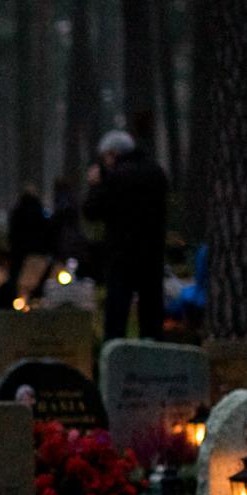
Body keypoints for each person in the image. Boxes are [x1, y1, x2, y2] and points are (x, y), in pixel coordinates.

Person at [84, 125, 172, 339]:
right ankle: (154, 358)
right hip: (152, 253)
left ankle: (115, 360)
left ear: (113, 154)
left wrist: (96, 184)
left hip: (121, 256)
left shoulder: (115, 178)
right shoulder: (156, 172)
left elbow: (91, 211)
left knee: (116, 316)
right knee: (151, 315)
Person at [6, 189, 53, 298]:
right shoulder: (40, 212)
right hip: (38, 252)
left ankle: (17, 300)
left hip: (20, 252)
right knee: (39, 278)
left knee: (18, 280)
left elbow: (13, 233)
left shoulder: (17, 212)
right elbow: (47, 232)